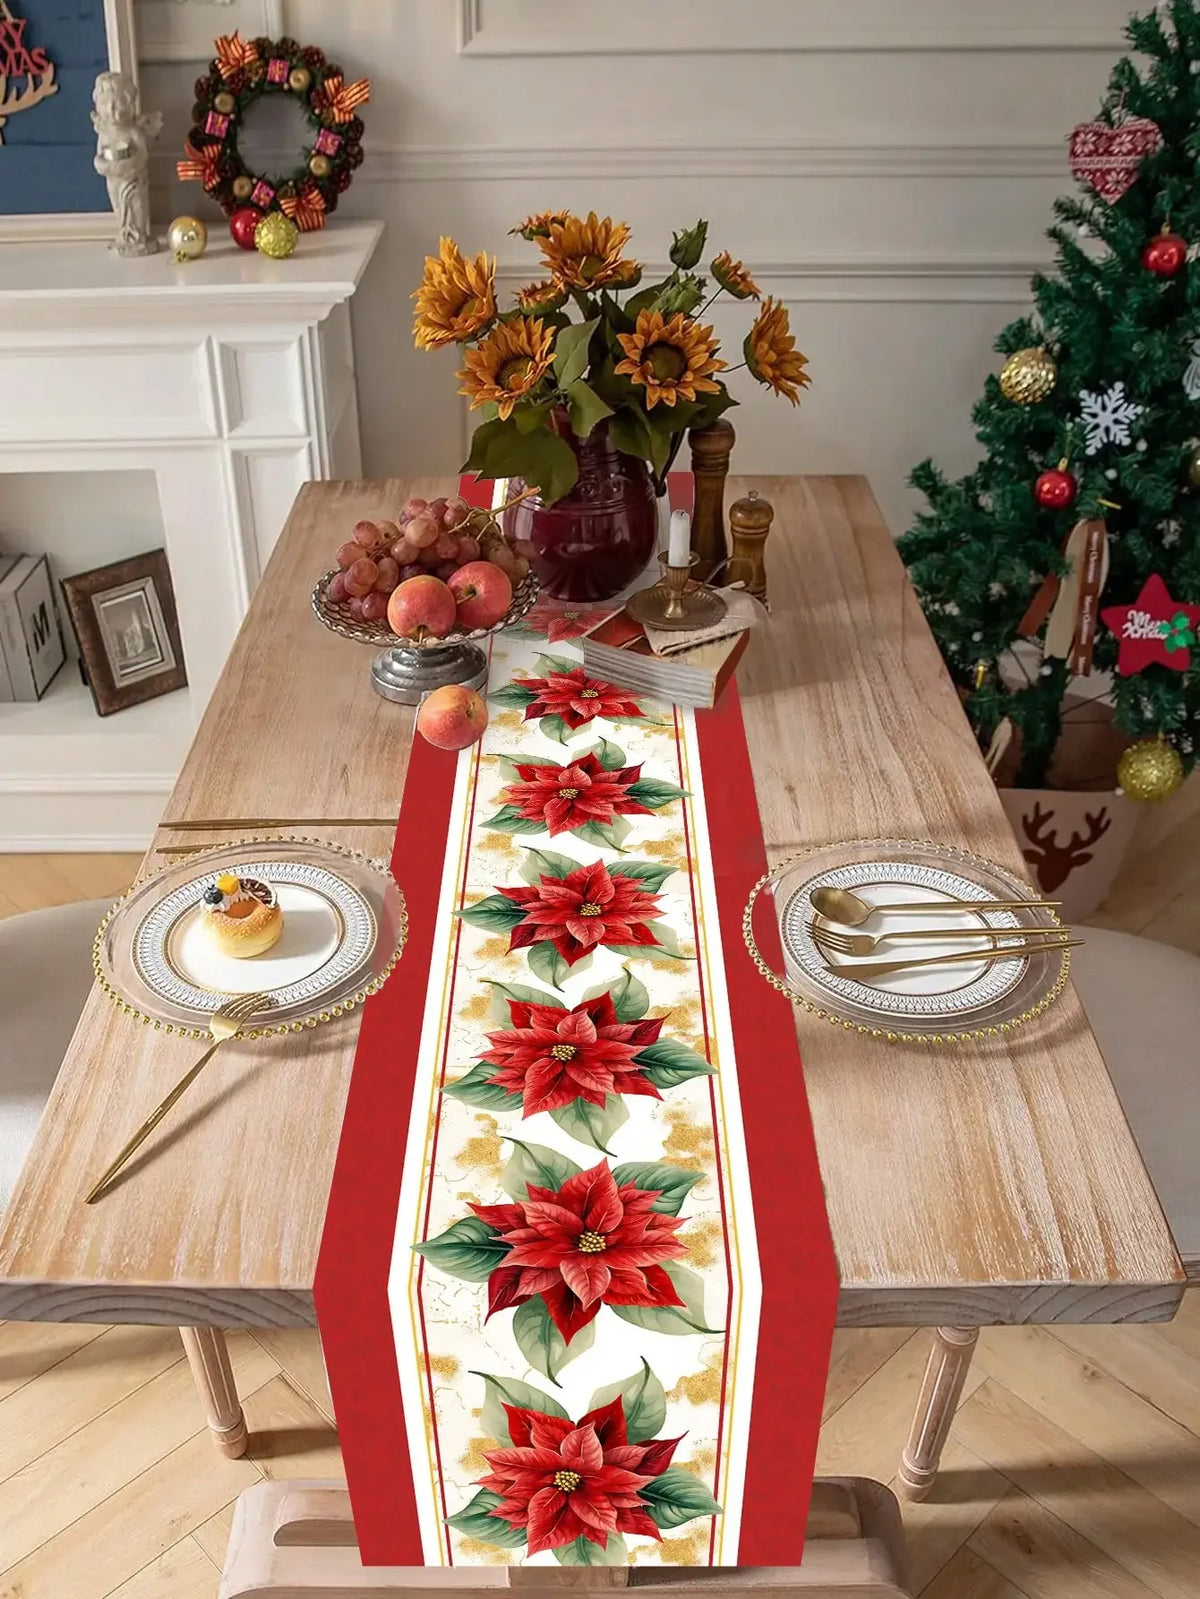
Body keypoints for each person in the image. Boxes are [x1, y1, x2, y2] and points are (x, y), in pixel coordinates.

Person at [91, 71, 162, 257]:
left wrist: (126, 165)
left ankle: (139, 236)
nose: (112, 111)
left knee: (137, 206)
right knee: (119, 208)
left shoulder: (133, 132)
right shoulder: (105, 134)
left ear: (129, 104)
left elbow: (142, 154)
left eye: (118, 104)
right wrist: (104, 166)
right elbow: (99, 156)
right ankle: (124, 234)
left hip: (134, 180)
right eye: (106, 104)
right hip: (114, 181)